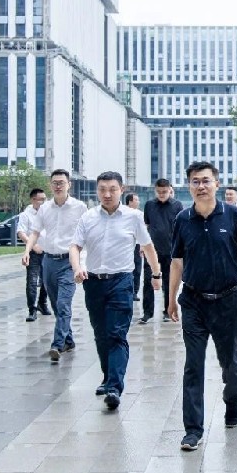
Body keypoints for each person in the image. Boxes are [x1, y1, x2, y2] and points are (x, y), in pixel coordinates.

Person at [169, 161, 237, 451]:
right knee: (193, 365)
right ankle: (193, 430)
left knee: (229, 362)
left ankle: (232, 401)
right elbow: (176, 262)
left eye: (206, 180)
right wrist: (170, 299)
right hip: (194, 301)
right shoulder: (183, 219)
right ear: (189, 186)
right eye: (195, 181)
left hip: (228, 302)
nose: (201, 186)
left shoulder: (233, 215)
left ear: (217, 184)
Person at [71, 172, 162, 409]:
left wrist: (156, 274)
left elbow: (148, 246)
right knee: (101, 334)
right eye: (102, 189)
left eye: (112, 189)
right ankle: (108, 377)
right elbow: (75, 246)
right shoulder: (88, 217)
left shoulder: (133, 217)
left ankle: (114, 387)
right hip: (93, 282)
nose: (107, 194)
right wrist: (77, 268)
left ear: (122, 189)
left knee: (117, 333)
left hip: (121, 281)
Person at [21, 169, 88, 363]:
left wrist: (82, 264)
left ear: (69, 185)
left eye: (61, 182)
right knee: (55, 304)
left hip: (69, 261)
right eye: (55, 183)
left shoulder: (80, 207)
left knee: (63, 303)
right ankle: (69, 340)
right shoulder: (44, 209)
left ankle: (57, 344)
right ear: (50, 185)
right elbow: (35, 232)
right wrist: (27, 250)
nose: (58, 186)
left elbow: (87, 235)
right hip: (48, 261)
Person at [141, 178, 183, 323]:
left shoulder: (177, 205)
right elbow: (146, 226)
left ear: (170, 190)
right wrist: (142, 246)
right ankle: (147, 313)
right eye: (159, 192)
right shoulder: (149, 205)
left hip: (171, 250)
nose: (161, 194)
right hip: (152, 250)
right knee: (148, 281)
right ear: (155, 190)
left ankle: (167, 311)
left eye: (164, 191)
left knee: (169, 282)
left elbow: (180, 229)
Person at [17, 188, 52, 322]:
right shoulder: (26, 215)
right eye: (41, 199)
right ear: (33, 200)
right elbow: (21, 232)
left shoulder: (48, 213)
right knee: (32, 281)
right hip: (33, 252)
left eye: (45, 199)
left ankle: (42, 303)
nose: (44, 202)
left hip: (48, 251)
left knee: (46, 281)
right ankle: (32, 309)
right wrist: (32, 245)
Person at [124, 192, 143, 303]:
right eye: (136, 200)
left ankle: (134, 292)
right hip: (125, 246)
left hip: (137, 246)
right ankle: (126, 291)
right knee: (126, 269)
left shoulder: (140, 214)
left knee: (137, 270)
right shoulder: (122, 213)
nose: (138, 202)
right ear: (130, 202)